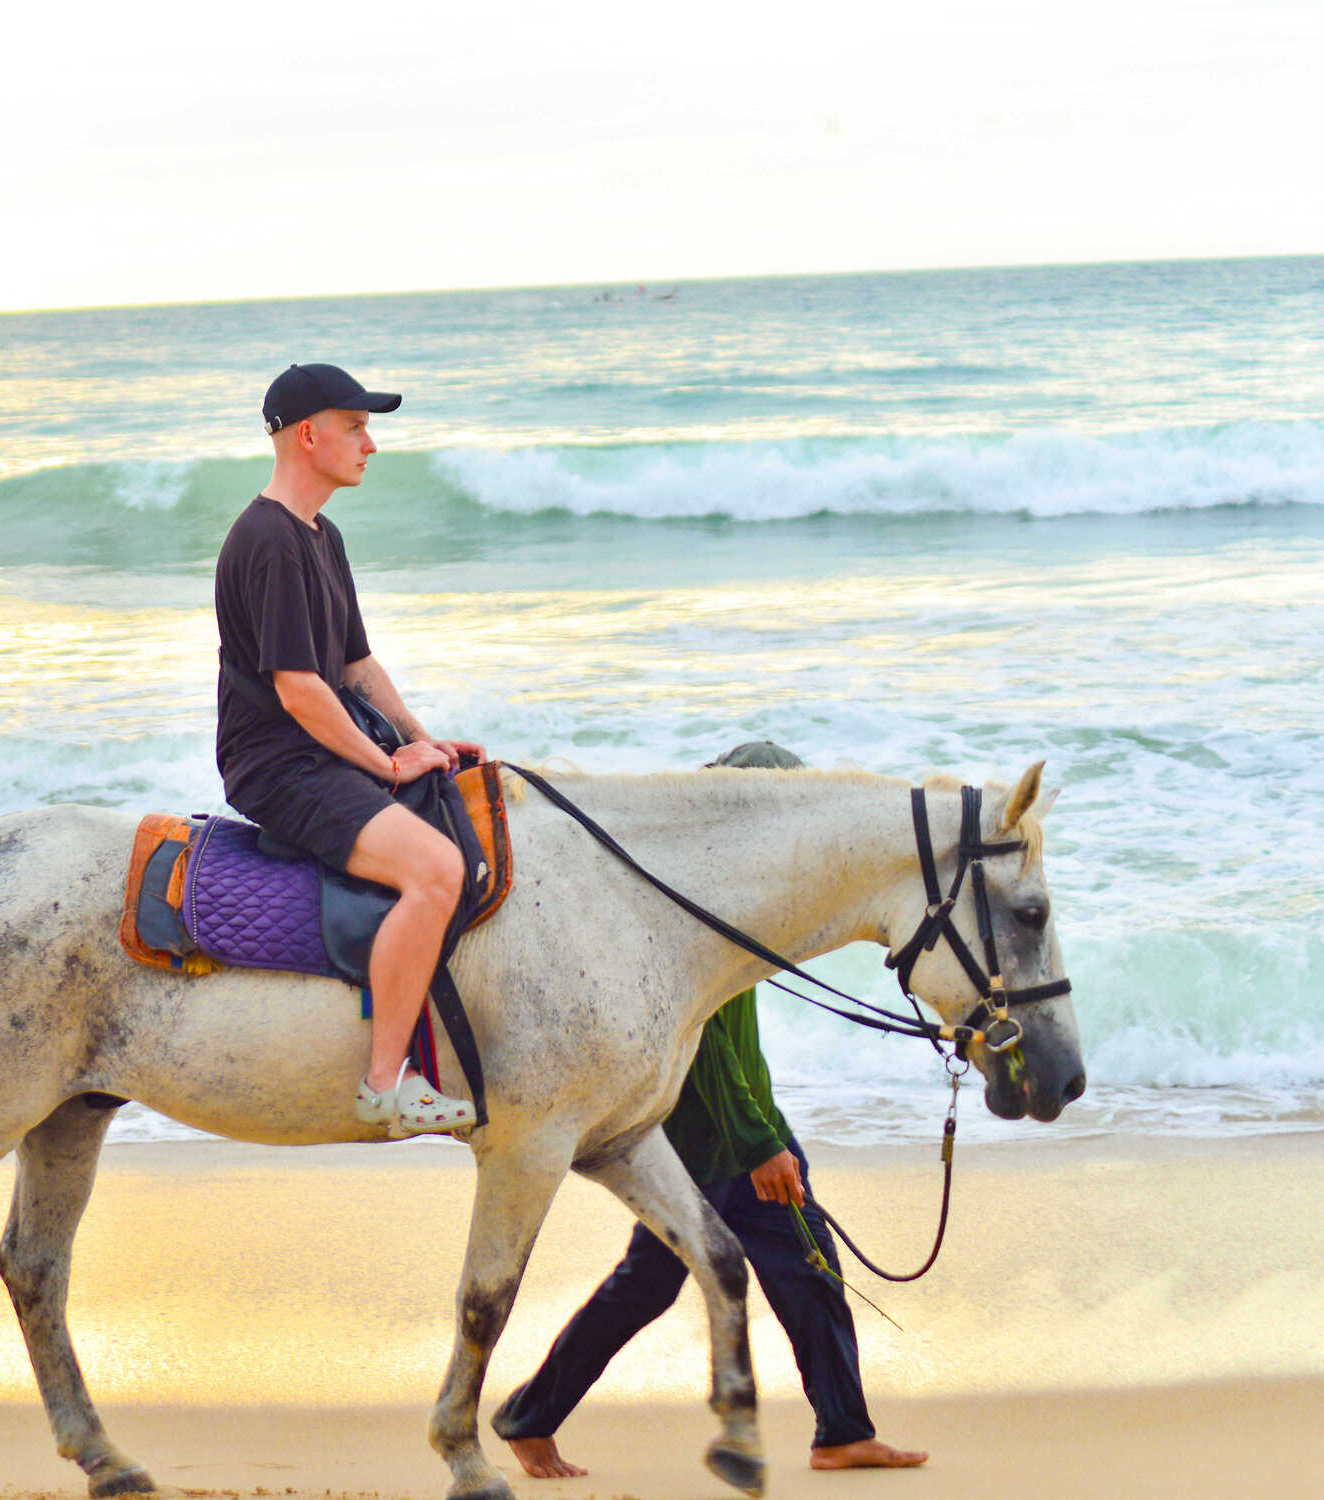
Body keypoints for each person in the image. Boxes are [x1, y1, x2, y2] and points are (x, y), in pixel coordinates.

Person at [491, 742, 928, 1475]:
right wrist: (760, 1143)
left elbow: (733, 1045)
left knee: (680, 1282)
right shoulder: (710, 894)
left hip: (720, 1129)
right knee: (791, 1268)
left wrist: (770, 1128)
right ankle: (841, 1432)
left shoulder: (722, 884)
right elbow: (709, 1044)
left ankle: (531, 1414)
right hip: (710, 1140)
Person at [214, 362, 484, 1138]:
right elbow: (299, 690)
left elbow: (354, 667)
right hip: (281, 766)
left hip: (324, 749)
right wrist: (386, 764)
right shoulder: (266, 540)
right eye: (356, 426)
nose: (370, 443)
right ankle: (385, 1081)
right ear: (308, 435)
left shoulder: (318, 535)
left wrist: (421, 740)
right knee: (435, 869)